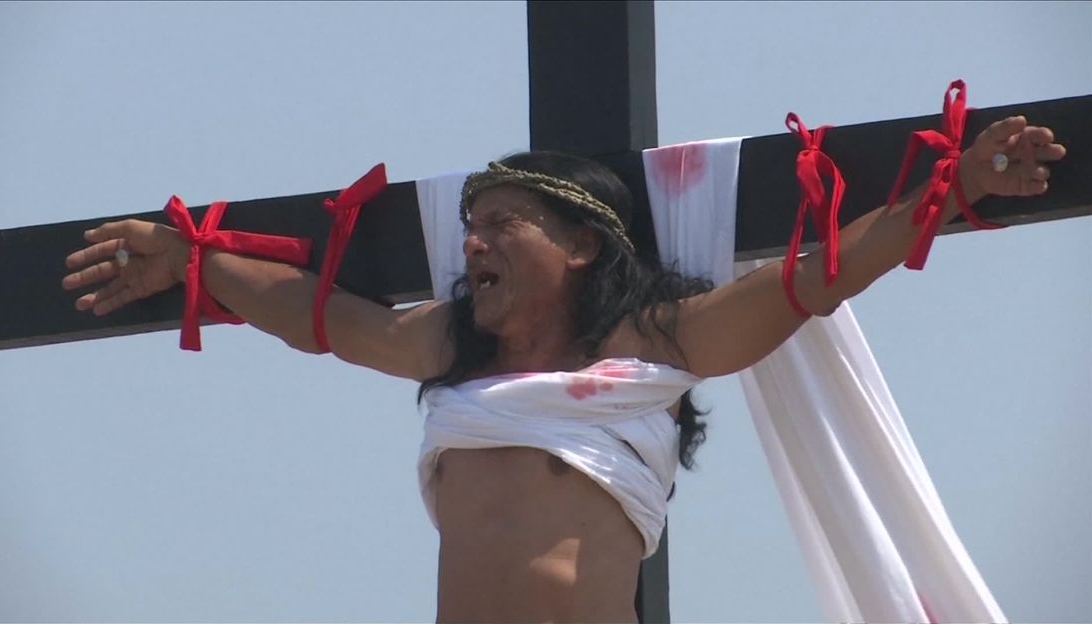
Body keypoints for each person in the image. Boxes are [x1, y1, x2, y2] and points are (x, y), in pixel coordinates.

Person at [62, 115, 1064, 623]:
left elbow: (817, 277)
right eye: (469, 230)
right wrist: (195, 260)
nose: (475, 247)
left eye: (501, 224)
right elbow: (317, 316)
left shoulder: (654, 347)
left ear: (583, 246)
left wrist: (957, 182)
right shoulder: (444, 353)